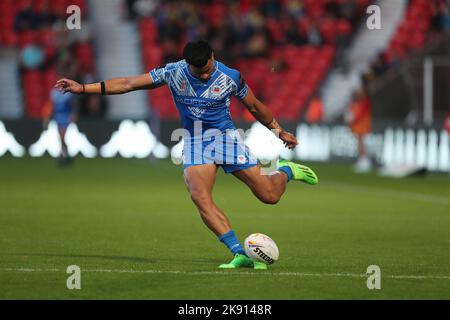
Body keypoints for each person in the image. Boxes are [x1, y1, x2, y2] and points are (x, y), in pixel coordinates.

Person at [55, 40, 318, 269]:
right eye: (198, 72)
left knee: (269, 196)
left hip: (225, 139)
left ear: (213, 57)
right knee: (199, 196)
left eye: (206, 71)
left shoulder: (230, 77)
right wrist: (82, 88)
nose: (204, 77)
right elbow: (128, 83)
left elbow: (254, 106)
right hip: (195, 143)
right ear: (187, 63)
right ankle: (239, 253)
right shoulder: (173, 72)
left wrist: (278, 130)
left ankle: (286, 170)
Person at [345, 86, 373, 173]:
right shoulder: (357, 102)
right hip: (358, 124)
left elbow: (359, 114)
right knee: (359, 142)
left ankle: (365, 161)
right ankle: (362, 160)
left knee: (361, 142)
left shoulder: (365, 102)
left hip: (362, 124)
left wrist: (352, 119)